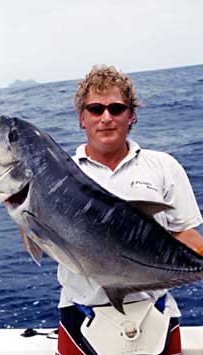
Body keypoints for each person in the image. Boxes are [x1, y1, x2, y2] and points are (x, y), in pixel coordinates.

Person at [57, 65, 203, 355]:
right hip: (81, 313)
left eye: (117, 108)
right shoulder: (62, 175)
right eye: (96, 109)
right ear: (82, 118)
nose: (106, 117)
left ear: (131, 115)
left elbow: (185, 234)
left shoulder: (163, 166)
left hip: (155, 312)